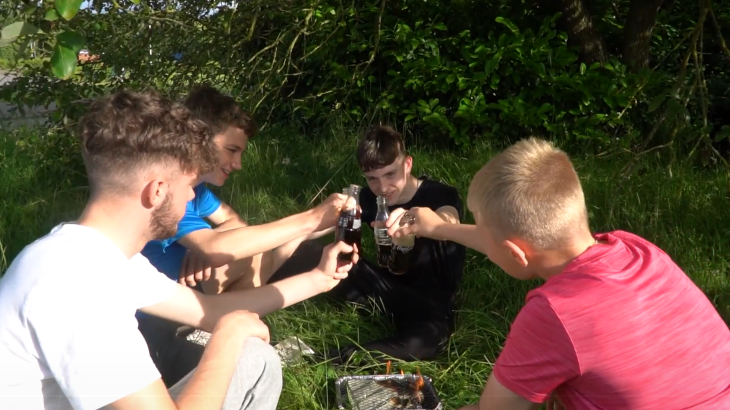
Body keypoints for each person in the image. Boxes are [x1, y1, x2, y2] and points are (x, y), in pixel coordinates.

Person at [0, 89, 355, 410]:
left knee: (256, 359)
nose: (192, 197)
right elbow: (224, 324)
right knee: (242, 349)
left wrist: (319, 279)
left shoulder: (104, 258)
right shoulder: (74, 284)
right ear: (156, 191)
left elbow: (210, 309)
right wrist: (228, 336)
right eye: (188, 185)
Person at [394, 137, 730, 409]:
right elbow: (512, 243)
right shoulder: (637, 250)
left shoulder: (555, 314)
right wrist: (439, 227)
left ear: (516, 254)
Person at [136, 85, 346, 386]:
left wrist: (208, 247)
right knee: (242, 247)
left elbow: (235, 224)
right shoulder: (168, 189)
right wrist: (309, 219)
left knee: (250, 246)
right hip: (158, 325)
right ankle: (222, 341)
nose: (238, 164)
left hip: (192, 303)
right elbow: (219, 246)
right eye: (231, 150)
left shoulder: (197, 191)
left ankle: (228, 333)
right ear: (200, 139)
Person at [271, 125, 466, 363]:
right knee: (306, 250)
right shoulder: (368, 198)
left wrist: (412, 219)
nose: (382, 188)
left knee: (422, 345)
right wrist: (286, 237)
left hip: (431, 302)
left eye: (390, 175)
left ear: (407, 165)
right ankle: (247, 292)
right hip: (382, 285)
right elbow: (313, 229)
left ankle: (320, 359)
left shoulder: (440, 194)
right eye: (373, 179)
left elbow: (449, 223)